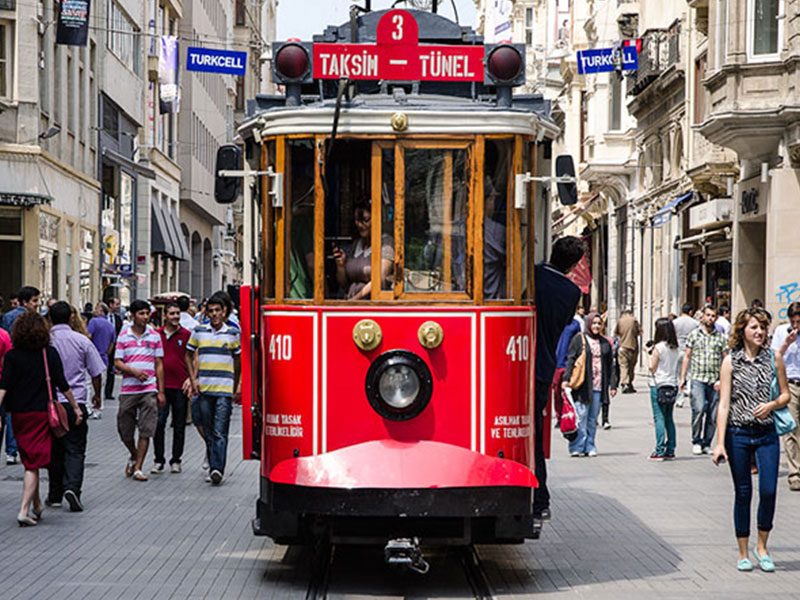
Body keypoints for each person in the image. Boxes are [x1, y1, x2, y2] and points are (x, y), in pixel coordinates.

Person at [712, 308, 790, 572]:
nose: (759, 332)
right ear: (742, 330)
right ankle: (743, 552)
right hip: (738, 434)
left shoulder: (774, 357)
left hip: (767, 433)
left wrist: (771, 405)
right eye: (754, 327)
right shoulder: (730, 362)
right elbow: (723, 405)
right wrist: (720, 442)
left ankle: (763, 547)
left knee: (768, 490)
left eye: (763, 327)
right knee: (743, 492)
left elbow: (786, 395)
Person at [0, 311, 82, 526]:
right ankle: (24, 510)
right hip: (41, 414)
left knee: (30, 458)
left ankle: (36, 504)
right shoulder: (49, 354)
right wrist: (76, 407)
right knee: (33, 464)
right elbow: (62, 384)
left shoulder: (12, 356)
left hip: (18, 414)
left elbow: (3, 387)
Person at [533, 235, 584, 520]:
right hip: (544, 366)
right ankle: (540, 496)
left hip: (518, 356)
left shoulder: (534, 275)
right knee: (536, 436)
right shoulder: (571, 292)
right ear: (575, 265)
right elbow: (565, 322)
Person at [46, 302, 105, 512]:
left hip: (50, 404)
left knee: (54, 449)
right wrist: (97, 395)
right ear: (71, 317)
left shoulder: (44, 343)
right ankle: (72, 488)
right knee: (75, 448)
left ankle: (54, 494)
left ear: (50, 318)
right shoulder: (81, 341)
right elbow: (96, 372)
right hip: (75, 403)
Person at [186, 292, 241, 485]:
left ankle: (217, 468)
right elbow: (189, 353)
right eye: (211, 311)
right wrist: (193, 379)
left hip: (224, 390)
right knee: (207, 429)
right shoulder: (199, 331)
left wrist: (236, 385)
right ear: (207, 313)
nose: (215, 314)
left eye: (218, 310)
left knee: (220, 431)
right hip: (204, 388)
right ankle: (212, 460)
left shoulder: (233, 333)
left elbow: (238, 359)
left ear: (224, 312)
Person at [114, 300, 165, 482]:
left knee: (146, 429)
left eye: (146, 313)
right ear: (133, 315)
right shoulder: (124, 336)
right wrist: (133, 371)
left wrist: (161, 390)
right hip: (128, 390)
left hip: (149, 389)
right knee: (124, 429)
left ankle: (138, 467)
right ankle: (133, 453)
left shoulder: (154, 336)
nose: (145, 317)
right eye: (141, 314)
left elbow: (159, 364)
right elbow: (117, 362)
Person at [564, 311, 617, 457]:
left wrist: (613, 385)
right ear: (588, 324)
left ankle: (590, 446)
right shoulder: (579, 339)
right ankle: (577, 446)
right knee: (581, 417)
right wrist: (566, 379)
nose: (596, 326)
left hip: (599, 386)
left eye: (599, 324)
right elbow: (571, 360)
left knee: (593, 419)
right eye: (594, 323)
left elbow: (611, 365)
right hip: (582, 385)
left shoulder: (605, 342)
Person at [1, 286, 41, 465]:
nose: (37, 304)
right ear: (25, 302)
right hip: (27, 368)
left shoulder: (7, 318)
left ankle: (12, 451)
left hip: (11, 365)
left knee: (10, 411)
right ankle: (17, 447)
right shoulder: (36, 320)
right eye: (34, 301)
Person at [681, 304, 728, 455]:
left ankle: (707, 442)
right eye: (708, 315)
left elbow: (726, 359)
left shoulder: (720, 337)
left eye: (713, 316)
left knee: (713, 414)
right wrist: (682, 377)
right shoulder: (694, 335)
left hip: (715, 380)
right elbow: (687, 356)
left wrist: (725, 380)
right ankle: (696, 440)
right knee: (699, 409)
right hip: (698, 378)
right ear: (703, 316)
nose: (710, 318)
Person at [152, 302, 192, 474]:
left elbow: (193, 357)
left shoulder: (187, 334)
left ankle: (176, 459)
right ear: (165, 316)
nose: (175, 317)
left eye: (177, 313)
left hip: (180, 386)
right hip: (161, 385)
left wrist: (191, 378)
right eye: (172, 314)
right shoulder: (156, 335)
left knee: (179, 425)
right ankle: (158, 459)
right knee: (159, 423)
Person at [332, 201, 394, 300]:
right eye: (357, 220)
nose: (360, 225)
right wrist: (341, 266)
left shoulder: (386, 243)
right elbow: (344, 284)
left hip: (372, 306)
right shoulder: (357, 244)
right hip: (353, 304)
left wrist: (355, 299)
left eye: (366, 220)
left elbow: (380, 279)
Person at [772, 301, 800, 490]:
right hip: (789, 384)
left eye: (799, 322)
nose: (796, 326)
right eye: (793, 322)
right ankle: (795, 474)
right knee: (791, 429)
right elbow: (774, 357)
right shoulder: (782, 331)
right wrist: (786, 344)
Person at [648, 318, 681, 460]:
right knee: (669, 418)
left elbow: (652, 367)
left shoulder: (659, 348)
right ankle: (671, 448)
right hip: (672, 385)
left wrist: (647, 352)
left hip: (658, 385)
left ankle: (659, 449)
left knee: (659, 417)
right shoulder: (675, 348)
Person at [552, 309, 583, 420]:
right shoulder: (555, 321)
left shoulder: (575, 324)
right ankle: (559, 416)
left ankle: (571, 414)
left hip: (570, 362)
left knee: (570, 391)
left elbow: (579, 341)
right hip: (556, 362)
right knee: (557, 392)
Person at [87, 302, 116, 419]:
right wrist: (106, 353)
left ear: (101, 311)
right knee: (101, 385)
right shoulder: (110, 325)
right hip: (103, 358)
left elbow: (88, 336)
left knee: (89, 383)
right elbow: (112, 343)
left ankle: (89, 407)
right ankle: (98, 409)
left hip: (92, 357)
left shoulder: (93, 322)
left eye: (96, 308)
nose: (94, 310)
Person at [672, 302, 699, 408]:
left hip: (678, 351)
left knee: (678, 376)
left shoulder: (675, 322)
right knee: (690, 375)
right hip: (690, 351)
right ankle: (692, 395)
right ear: (691, 312)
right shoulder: (695, 323)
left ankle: (680, 399)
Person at [614, 309, 640, 393]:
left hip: (622, 346)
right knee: (631, 366)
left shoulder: (620, 321)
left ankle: (625, 382)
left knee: (623, 366)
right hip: (633, 346)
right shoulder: (635, 321)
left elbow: (615, 333)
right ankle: (630, 383)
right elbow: (640, 332)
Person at [104, 296, 124, 400]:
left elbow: (119, 333)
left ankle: (108, 392)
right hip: (103, 347)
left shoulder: (117, 318)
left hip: (114, 348)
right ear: (110, 305)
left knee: (111, 371)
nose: (118, 306)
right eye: (116, 304)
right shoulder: (103, 318)